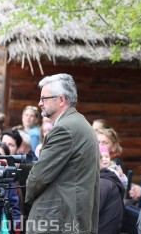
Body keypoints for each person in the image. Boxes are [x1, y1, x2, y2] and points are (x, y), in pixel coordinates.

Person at [26, 73, 99, 233]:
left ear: (60, 100)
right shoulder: (79, 123)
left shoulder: (64, 129)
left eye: (44, 98)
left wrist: (26, 194)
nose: (39, 103)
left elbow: (39, 177)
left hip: (58, 221)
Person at [99, 148, 125, 234]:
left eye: (107, 156)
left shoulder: (105, 181)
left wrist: (122, 177)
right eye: (101, 157)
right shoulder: (106, 178)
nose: (104, 159)